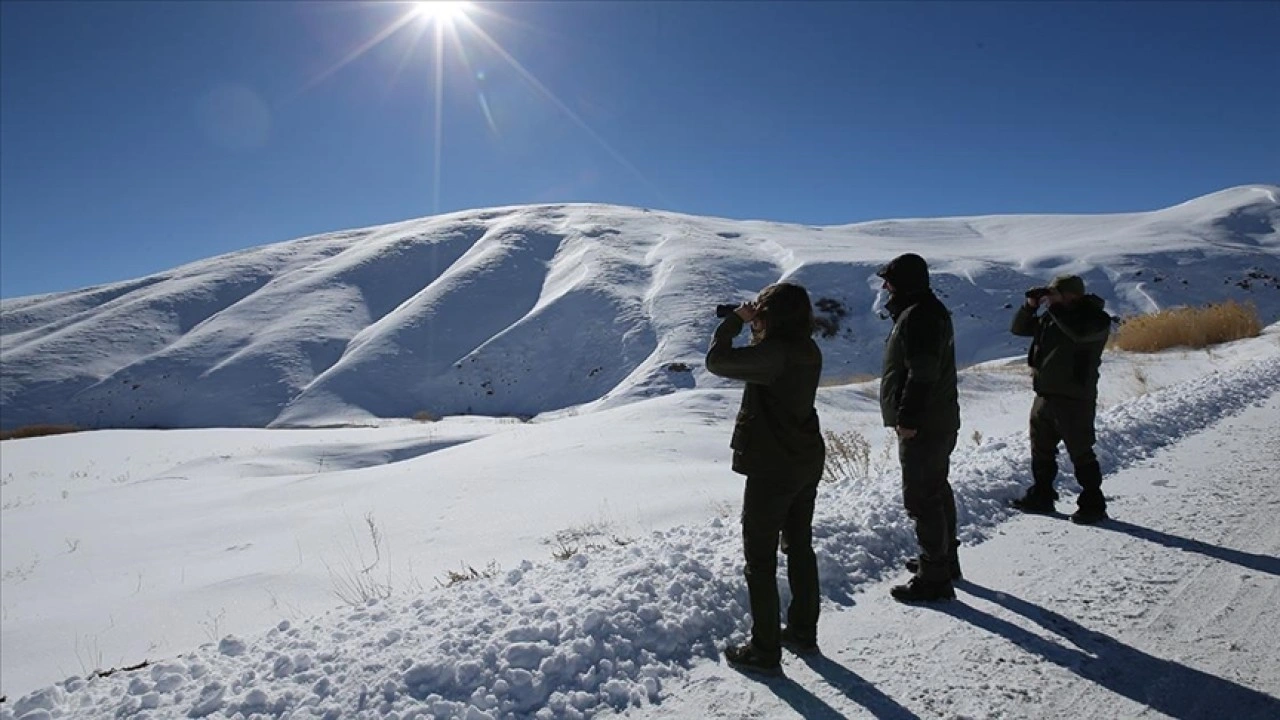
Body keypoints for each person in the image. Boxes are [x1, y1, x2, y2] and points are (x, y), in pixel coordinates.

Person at [705, 282, 826, 675]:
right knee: (799, 546)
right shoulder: (806, 348)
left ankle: (764, 650)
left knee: (759, 560)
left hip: (773, 467)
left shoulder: (774, 353)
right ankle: (803, 631)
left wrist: (735, 324)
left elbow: (717, 362)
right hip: (804, 459)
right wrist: (760, 325)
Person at [877, 253, 962, 603]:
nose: (885, 287)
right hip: (938, 417)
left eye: (890, 281)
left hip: (925, 422)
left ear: (905, 283)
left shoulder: (920, 316)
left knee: (922, 496)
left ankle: (935, 578)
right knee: (936, 488)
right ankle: (944, 561)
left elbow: (922, 371)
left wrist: (908, 418)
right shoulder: (926, 310)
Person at [1010, 274, 1113, 524]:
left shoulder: (1096, 319)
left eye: (1055, 294)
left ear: (1072, 296)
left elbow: (1078, 334)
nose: (1050, 299)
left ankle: (1093, 502)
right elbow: (1019, 329)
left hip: (1075, 397)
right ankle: (1042, 494)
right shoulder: (1052, 317)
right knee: (1041, 448)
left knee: (1080, 450)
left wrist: (1054, 308)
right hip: (1046, 394)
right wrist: (1030, 307)